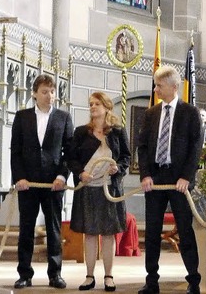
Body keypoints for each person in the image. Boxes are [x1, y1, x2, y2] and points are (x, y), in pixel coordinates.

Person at [137, 65, 202, 294]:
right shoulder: (151, 114)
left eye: (159, 86)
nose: (155, 89)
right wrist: (145, 174)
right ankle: (151, 281)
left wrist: (186, 176)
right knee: (153, 233)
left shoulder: (190, 113)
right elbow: (142, 146)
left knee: (185, 231)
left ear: (174, 87)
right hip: (155, 179)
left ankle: (193, 281)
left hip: (179, 181)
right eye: (155, 85)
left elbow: (196, 147)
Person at [11, 74, 74, 290]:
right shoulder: (22, 117)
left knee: (54, 229)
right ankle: (24, 274)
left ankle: (55, 274)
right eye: (45, 92)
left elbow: (69, 152)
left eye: (52, 92)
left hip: (53, 184)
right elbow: (16, 152)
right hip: (28, 183)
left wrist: (62, 176)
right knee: (26, 229)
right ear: (35, 94)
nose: (50, 96)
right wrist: (18, 177)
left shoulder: (64, 117)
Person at [68, 92, 131, 292]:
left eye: (97, 104)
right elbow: (71, 158)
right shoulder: (81, 132)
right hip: (88, 189)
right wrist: (81, 173)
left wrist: (117, 169)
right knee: (90, 233)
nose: (93, 107)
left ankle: (109, 276)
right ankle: (89, 276)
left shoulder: (118, 132)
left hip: (109, 189)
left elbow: (126, 158)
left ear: (106, 107)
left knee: (109, 233)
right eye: (90, 104)